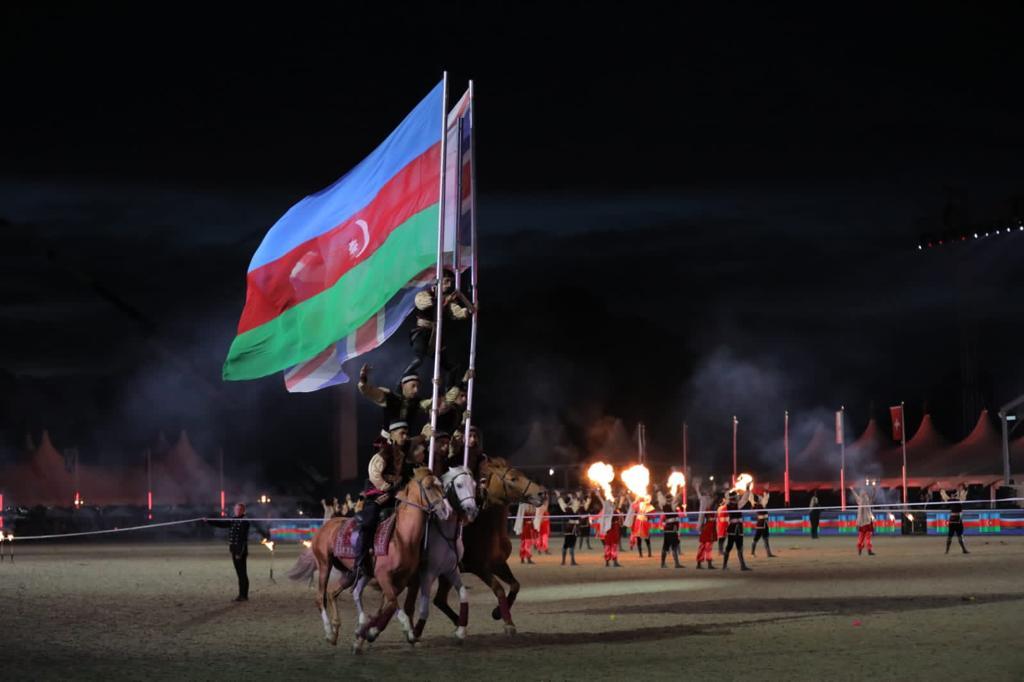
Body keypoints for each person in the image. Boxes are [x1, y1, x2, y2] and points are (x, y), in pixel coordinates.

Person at [353, 420, 411, 582]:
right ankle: (360, 561)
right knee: (369, 521)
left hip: (396, 494)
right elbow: (374, 473)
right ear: (392, 435)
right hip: (377, 493)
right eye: (402, 433)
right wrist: (387, 488)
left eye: (406, 434)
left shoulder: (403, 452)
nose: (405, 437)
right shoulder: (384, 452)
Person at [404, 269, 474, 384]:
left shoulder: (448, 299)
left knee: (451, 366)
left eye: (451, 282)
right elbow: (424, 304)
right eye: (446, 281)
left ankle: (451, 390)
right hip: (422, 333)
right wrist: (444, 301)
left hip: (435, 336)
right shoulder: (424, 294)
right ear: (437, 282)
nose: (449, 285)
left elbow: (457, 312)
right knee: (418, 359)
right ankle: (402, 381)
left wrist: (469, 310)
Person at [206, 502, 271, 602]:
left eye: (239, 509)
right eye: (236, 509)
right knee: (239, 573)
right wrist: (209, 521)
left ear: (243, 510)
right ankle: (242, 595)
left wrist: (238, 553)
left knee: (242, 573)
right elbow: (222, 524)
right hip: (234, 549)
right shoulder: (234, 520)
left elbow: (242, 539)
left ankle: (243, 595)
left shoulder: (244, 521)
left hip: (240, 550)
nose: (236, 511)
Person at [357, 364, 429, 433]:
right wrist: (363, 379)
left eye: (418, 386)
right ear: (403, 385)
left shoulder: (417, 402)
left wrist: (437, 384)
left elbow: (432, 404)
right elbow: (368, 391)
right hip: (388, 442)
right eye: (413, 386)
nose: (416, 390)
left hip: (406, 441)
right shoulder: (390, 397)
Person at [722, 483, 752, 571]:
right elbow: (744, 499)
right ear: (734, 498)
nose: (738, 498)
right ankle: (724, 565)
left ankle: (742, 565)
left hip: (739, 529)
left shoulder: (737, 504)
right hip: (732, 529)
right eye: (736, 497)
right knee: (729, 546)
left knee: (740, 547)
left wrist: (747, 489)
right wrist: (746, 489)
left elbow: (744, 499)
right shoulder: (732, 505)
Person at [693, 478, 717, 569]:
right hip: (707, 526)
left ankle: (702, 562)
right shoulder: (705, 502)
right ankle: (705, 562)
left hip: (710, 526)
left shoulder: (710, 502)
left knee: (705, 545)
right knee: (706, 545)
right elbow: (702, 515)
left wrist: (697, 489)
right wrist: (697, 489)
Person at [941, 484, 970, 554]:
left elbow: (945, 497)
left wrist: (942, 491)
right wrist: (965, 489)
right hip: (957, 521)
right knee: (959, 535)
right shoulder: (959, 500)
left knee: (950, 536)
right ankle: (963, 549)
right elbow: (964, 494)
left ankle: (947, 551)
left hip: (952, 521)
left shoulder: (951, 501)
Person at [850, 485, 877, 556]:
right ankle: (867, 550)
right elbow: (873, 497)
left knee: (862, 537)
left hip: (864, 522)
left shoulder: (862, 500)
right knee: (865, 537)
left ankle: (863, 549)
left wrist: (852, 489)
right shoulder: (865, 501)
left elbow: (872, 497)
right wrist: (874, 490)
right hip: (865, 522)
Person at [750, 491, 776, 558]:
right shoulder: (760, 505)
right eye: (760, 497)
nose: (761, 497)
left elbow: (764, 499)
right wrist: (766, 493)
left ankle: (768, 553)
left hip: (765, 524)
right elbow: (766, 499)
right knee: (756, 539)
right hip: (760, 525)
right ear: (759, 500)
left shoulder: (759, 504)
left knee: (766, 539)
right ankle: (752, 553)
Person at [557, 492, 581, 566]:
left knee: (566, 544)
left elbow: (561, 502)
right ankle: (572, 561)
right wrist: (578, 496)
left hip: (568, 527)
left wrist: (558, 495)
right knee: (572, 544)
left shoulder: (565, 507)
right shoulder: (573, 508)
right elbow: (577, 502)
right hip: (573, 527)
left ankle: (563, 561)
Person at [660, 496, 683, 568]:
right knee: (674, 546)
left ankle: (663, 563)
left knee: (665, 546)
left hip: (668, 529)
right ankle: (676, 564)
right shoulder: (672, 507)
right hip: (672, 529)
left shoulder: (665, 506)